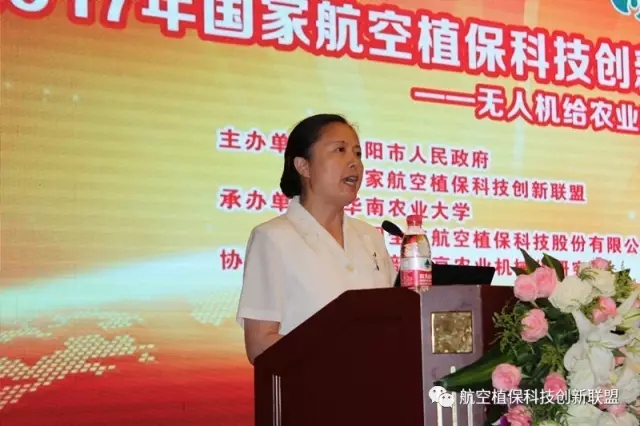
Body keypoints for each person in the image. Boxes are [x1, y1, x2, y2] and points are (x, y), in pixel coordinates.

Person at [236, 113, 397, 364]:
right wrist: (339, 353)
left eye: (357, 153)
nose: (354, 162)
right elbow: (259, 344)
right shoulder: (273, 238)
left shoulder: (370, 237)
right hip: (310, 386)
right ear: (303, 166)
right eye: (340, 150)